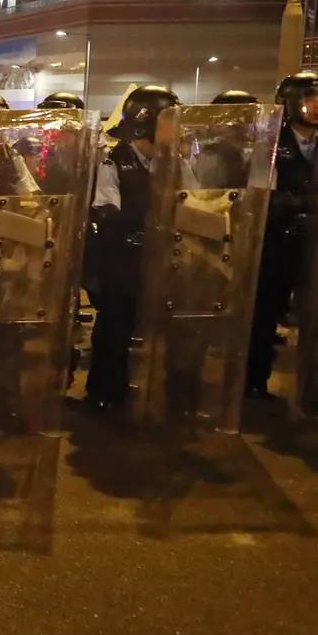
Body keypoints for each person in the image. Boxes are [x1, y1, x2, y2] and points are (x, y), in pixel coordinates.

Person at [83, 86, 181, 410]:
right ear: (148, 123)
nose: (176, 128)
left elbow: (194, 200)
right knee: (115, 328)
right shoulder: (114, 163)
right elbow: (106, 210)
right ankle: (105, 390)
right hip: (122, 262)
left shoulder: (175, 162)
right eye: (169, 120)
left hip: (163, 260)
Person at [246, 72, 318, 399]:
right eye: (310, 99)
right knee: (266, 312)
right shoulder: (271, 144)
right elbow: (260, 192)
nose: (317, 107)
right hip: (277, 241)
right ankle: (254, 380)